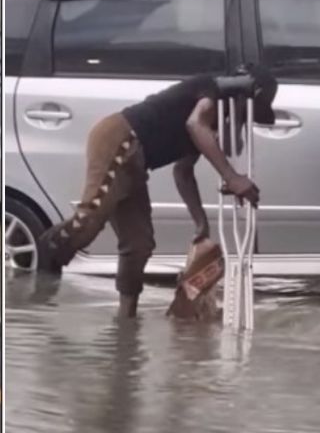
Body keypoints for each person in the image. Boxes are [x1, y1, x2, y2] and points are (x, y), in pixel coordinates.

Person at [40, 65, 278, 319]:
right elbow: (194, 124)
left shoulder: (213, 124)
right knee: (86, 223)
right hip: (120, 139)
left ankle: (125, 322)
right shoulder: (212, 90)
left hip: (137, 161)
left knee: (139, 243)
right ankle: (35, 280)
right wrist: (231, 177)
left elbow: (183, 172)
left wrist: (200, 224)